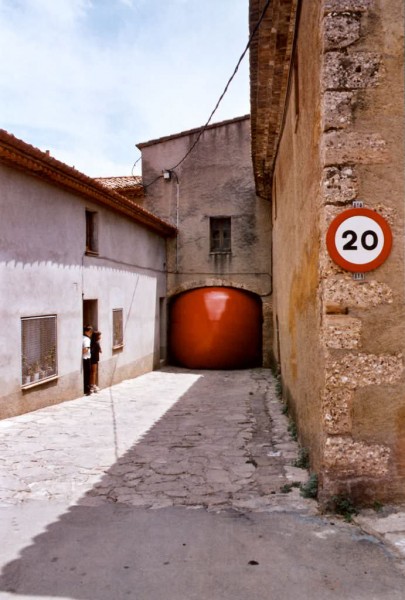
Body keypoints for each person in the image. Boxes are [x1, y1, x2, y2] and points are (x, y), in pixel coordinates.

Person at [82, 325, 93, 395]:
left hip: (83, 358)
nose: (91, 333)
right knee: (87, 374)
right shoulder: (87, 339)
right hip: (86, 358)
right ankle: (87, 389)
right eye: (90, 331)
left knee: (85, 374)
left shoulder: (82, 337)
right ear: (87, 331)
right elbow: (86, 349)